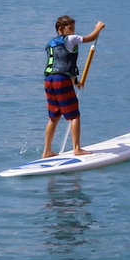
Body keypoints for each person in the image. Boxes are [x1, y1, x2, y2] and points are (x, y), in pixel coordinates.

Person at [42, 14, 105, 157]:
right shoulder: (71, 39)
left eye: (74, 28)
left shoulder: (51, 43)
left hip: (49, 80)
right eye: (70, 28)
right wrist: (98, 28)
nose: (73, 32)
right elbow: (91, 38)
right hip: (61, 81)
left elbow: (61, 64)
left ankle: (47, 151)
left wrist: (76, 82)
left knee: (54, 116)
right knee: (74, 115)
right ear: (61, 29)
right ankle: (77, 149)